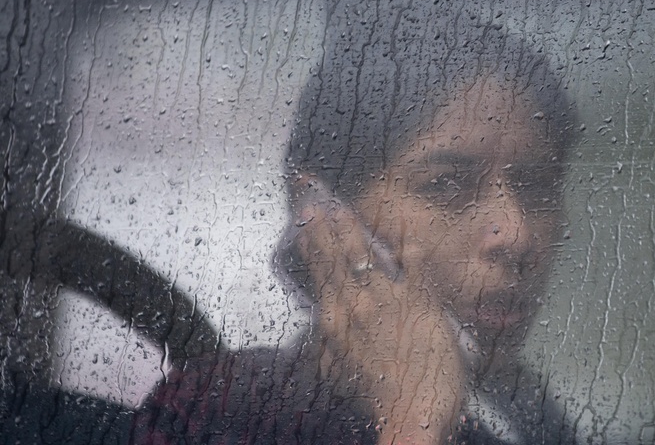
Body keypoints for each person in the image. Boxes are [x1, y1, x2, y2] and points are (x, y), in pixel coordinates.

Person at [131, 28, 579, 444]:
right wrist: (413, 413)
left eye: (536, 187)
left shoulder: (529, 415)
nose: (517, 236)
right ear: (322, 211)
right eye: (444, 186)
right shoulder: (218, 413)